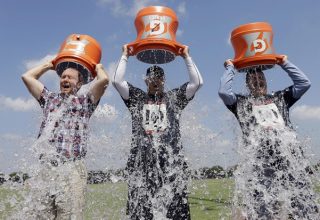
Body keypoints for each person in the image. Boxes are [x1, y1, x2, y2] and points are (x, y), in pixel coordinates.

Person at [219, 56, 319, 219]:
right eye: (253, 79)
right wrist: (230, 68)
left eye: (261, 77)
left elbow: (304, 83)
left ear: (266, 80)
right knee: (263, 210)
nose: (258, 81)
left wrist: (283, 62)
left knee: (304, 206)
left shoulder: (281, 97)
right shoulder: (241, 103)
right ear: (248, 84)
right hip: (260, 165)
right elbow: (224, 92)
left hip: (290, 159)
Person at [113, 44, 203, 220]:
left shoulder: (173, 98)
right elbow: (117, 81)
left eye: (159, 77)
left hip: (171, 167)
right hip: (142, 167)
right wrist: (125, 55)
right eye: (152, 77)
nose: (155, 80)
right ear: (146, 80)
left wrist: (186, 56)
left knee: (176, 214)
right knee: (140, 214)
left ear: (164, 80)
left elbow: (197, 83)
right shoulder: (137, 98)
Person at [20, 60, 109, 219]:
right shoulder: (49, 98)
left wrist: (96, 67)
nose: (65, 80)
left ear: (80, 82)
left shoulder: (85, 102)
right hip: (46, 169)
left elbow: (103, 80)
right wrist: (49, 65)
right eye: (62, 76)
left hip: (72, 169)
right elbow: (27, 76)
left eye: (70, 77)